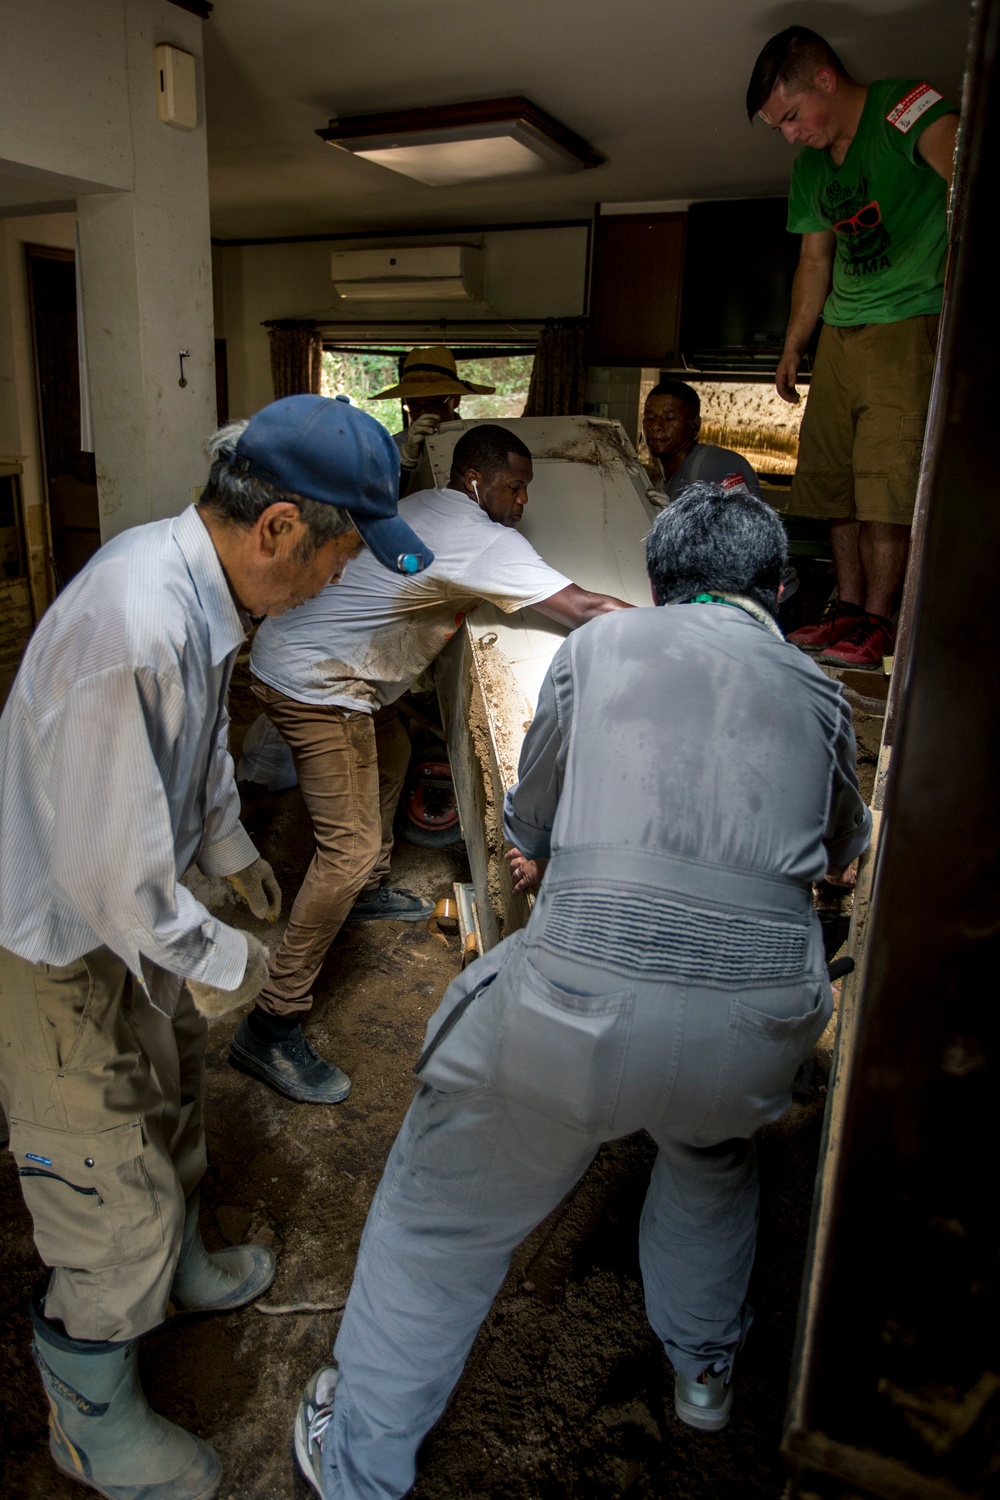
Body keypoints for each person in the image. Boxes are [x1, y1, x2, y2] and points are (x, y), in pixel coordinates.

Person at [291, 481, 872, 1499]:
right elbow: (839, 851)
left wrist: (538, 847)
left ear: (654, 585)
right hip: (759, 1026)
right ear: (776, 590)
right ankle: (703, 1376)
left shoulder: (599, 648)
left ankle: (359, 1463)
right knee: (710, 1150)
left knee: (442, 1218)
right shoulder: (818, 686)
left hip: (576, 1017)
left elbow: (536, 810)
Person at [0, 393, 429, 1500]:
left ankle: (179, 1271)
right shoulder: (132, 626)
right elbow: (108, 877)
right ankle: (88, 1422)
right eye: (342, 556)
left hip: (131, 914)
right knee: (104, 1173)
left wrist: (233, 850)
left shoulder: (199, 593)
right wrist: (231, 960)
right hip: (64, 939)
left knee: (173, 1091)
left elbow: (187, 772)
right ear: (279, 527)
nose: (342, 581)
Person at [232, 423, 632, 1106]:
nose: (523, 499)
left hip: (317, 660)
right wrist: (689, 633)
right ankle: (272, 1020)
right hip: (316, 683)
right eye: (513, 486)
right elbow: (586, 607)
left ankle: (367, 893)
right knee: (347, 849)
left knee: (392, 754)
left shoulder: (428, 507)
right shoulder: (485, 538)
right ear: (476, 482)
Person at [747, 26, 958, 668]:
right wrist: (793, 347)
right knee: (834, 482)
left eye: (790, 116)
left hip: (911, 320)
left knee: (887, 484)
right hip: (840, 331)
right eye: (777, 125)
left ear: (825, 81)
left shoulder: (909, 106)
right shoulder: (811, 164)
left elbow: (968, 179)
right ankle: (847, 609)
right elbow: (814, 260)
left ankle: (880, 621)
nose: (789, 134)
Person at [370, 345, 495, 493]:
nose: (423, 413)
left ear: (455, 400)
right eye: (414, 404)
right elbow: (379, 497)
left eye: (433, 403)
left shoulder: (480, 444)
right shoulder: (391, 448)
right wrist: (405, 461)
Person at [642, 379, 762, 504]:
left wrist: (677, 519)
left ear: (695, 424)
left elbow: (743, 521)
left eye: (670, 418)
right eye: (649, 417)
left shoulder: (721, 465)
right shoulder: (663, 483)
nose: (655, 426)